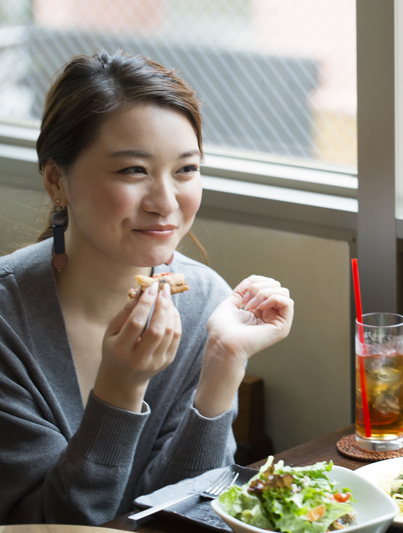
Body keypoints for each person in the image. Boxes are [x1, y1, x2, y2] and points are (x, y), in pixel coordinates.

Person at [0, 51, 294, 525]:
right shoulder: (7, 321)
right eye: (133, 170)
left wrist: (222, 364)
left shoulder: (204, 301)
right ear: (57, 180)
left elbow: (188, 509)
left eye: (186, 170)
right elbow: (50, 522)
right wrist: (120, 389)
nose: (165, 202)